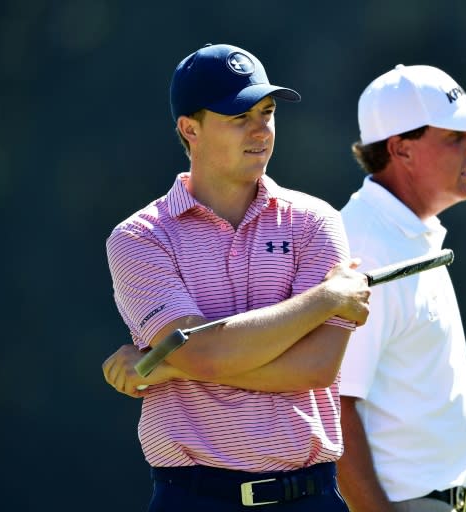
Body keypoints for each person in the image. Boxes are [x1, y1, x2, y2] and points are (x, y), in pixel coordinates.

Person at [101, 43, 371, 512]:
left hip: (310, 496)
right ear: (190, 129)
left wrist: (166, 364)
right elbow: (201, 351)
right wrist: (324, 300)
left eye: (266, 113)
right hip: (194, 498)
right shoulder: (140, 238)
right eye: (237, 116)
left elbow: (318, 366)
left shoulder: (315, 221)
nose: (260, 130)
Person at [335, 64, 466, 512]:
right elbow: (333, 407)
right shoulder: (368, 248)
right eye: (455, 136)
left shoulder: (403, 233)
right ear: (402, 151)